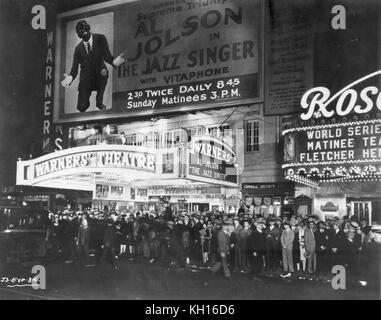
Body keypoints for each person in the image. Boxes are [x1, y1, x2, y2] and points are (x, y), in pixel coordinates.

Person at [61, 20, 125, 112]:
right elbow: (74, 69)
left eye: (85, 28)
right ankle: (85, 106)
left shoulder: (100, 38)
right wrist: (70, 77)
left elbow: (107, 56)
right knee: (81, 107)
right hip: (86, 79)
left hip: (99, 74)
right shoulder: (78, 49)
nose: (84, 31)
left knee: (103, 72)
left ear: (88, 27)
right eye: (81, 31)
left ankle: (99, 103)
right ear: (79, 35)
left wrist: (114, 62)